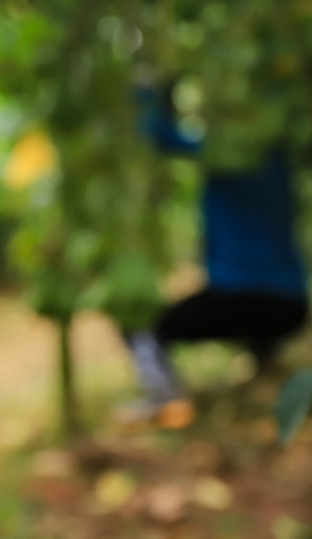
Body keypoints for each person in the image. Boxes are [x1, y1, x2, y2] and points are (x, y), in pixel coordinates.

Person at [124, 80, 309, 428]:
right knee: (258, 327)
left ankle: (167, 400)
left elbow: (159, 135)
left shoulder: (221, 153)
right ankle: (264, 382)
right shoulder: (278, 156)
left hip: (237, 297)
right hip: (291, 305)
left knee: (143, 326)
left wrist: (148, 89)